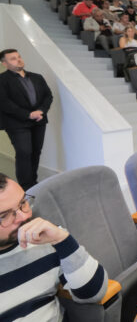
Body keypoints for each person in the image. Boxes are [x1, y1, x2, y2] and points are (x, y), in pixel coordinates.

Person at [0, 174, 110, 320]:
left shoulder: (45, 238)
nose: (24, 217)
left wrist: (62, 240)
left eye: (23, 203)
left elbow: (94, 293)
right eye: (4, 216)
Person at [0, 50, 53, 190]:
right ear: (4, 63)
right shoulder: (2, 80)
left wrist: (41, 111)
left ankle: (33, 183)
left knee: (36, 151)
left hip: (39, 121)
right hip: (16, 123)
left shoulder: (37, 77)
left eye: (19, 57)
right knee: (24, 153)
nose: (18, 60)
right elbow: (4, 103)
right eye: (13, 58)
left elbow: (48, 96)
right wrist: (28, 115)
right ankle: (25, 187)